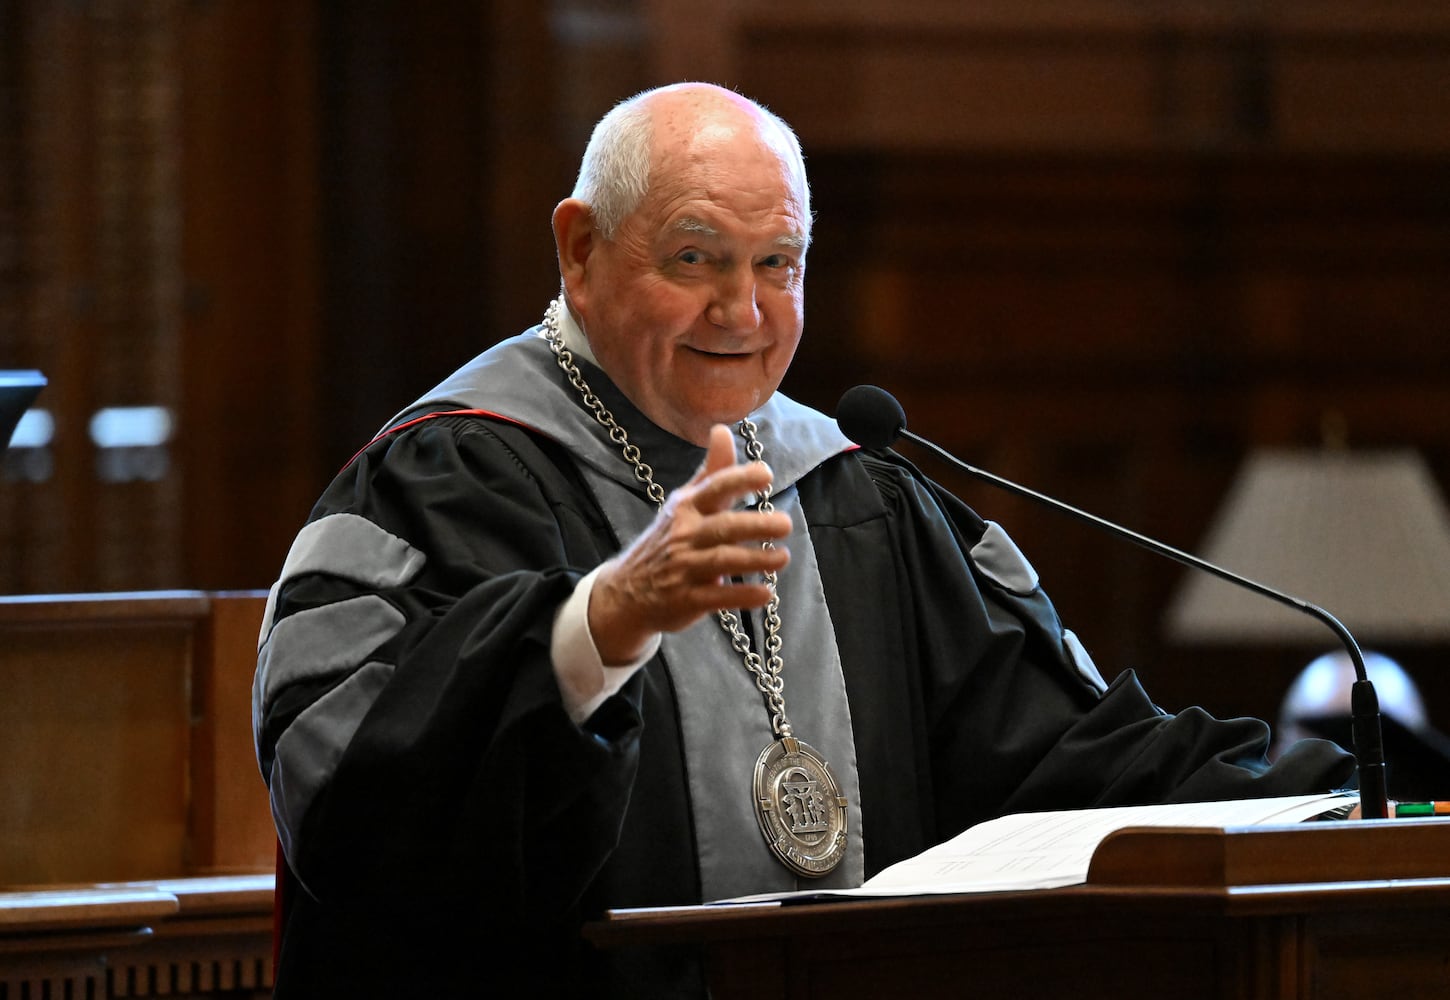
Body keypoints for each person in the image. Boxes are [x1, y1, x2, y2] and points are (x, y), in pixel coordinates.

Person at [252, 82, 1355, 997]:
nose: (742, 309)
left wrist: (1360, 795)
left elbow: (1072, 754)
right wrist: (598, 624)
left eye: (777, 264)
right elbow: (352, 799)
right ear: (578, 248)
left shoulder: (854, 494)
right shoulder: (444, 477)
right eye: (695, 258)